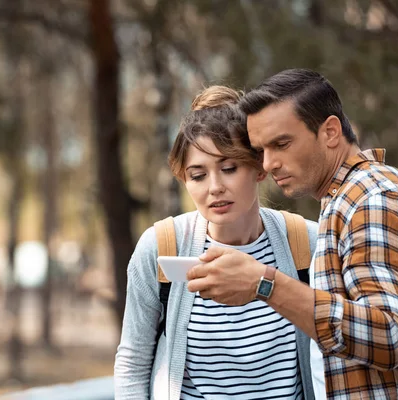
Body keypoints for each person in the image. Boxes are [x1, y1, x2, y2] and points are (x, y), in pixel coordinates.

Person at [186, 69, 398, 399]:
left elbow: (386, 336)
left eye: (281, 144)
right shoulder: (345, 200)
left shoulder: (373, 200)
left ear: (330, 132)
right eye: (261, 150)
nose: (268, 165)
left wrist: (264, 283)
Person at [114, 86, 319, 400]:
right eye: (198, 175)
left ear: (259, 168)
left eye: (229, 169)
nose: (215, 188)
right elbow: (133, 361)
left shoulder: (307, 243)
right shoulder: (161, 247)